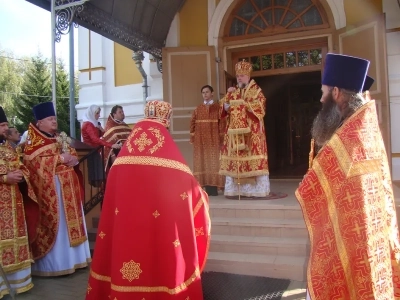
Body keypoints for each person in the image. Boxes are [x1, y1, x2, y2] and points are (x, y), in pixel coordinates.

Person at [297, 53, 400, 299]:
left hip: (351, 231)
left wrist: (308, 185)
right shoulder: (359, 125)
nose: (320, 99)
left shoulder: (351, 133)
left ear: (335, 92)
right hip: (355, 229)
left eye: (323, 92)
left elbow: (331, 178)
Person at [86, 100, 211, 300]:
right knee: (161, 262)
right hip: (160, 227)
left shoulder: (121, 161)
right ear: (166, 122)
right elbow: (188, 189)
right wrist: (200, 195)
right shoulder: (170, 159)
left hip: (126, 230)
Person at [23, 102, 91, 276]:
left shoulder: (57, 137)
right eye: (50, 119)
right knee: (60, 227)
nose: (54, 121)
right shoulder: (33, 142)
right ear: (40, 122)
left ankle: (76, 260)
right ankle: (58, 265)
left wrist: (73, 159)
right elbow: (33, 164)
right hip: (53, 192)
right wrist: (60, 158)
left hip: (68, 189)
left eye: (54, 118)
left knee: (73, 223)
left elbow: (72, 153)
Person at [0, 107, 38, 297]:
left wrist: (21, 175)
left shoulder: (9, 146)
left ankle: (17, 282)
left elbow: (23, 165)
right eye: (2, 125)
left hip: (14, 201)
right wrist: (5, 178)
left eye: (6, 124)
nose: (5, 128)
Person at [219, 60, 270, 198]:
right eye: (238, 76)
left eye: (242, 75)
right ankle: (236, 190)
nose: (239, 78)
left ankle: (257, 190)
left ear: (248, 76)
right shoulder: (233, 92)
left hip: (252, 133)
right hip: (234, 135)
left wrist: (244, 105)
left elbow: (261, 108)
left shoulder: (256, 90)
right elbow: (222, 107)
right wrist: (226, 106)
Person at [190, 85, 224, 196]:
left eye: (207, 92)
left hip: (214, 140)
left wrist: (221, 139)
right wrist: (193, 138)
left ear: (212, 93)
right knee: (202, 162)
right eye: (203, 92)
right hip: (200, 141)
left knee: (214, 163)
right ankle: (202, 189)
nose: (205, 94)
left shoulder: (218, 108)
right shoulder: (198, 109)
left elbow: (222, 124)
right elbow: (192, 123)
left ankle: (214, 188)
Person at [81, 105, 121, 186]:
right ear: (92, 113)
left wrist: (102, 130)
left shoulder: (94, 124)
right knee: (94, 174)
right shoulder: (88, 124)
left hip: (95, 151)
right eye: (97, 113)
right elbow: (95, 139)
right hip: (91, 153)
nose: (99, 115)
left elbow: (103, 135)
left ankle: (99, 192)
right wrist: (111, 145)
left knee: (99, 173)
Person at [102, 105, 131, 174]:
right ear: (114, 114)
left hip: (128, 156)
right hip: (117, 156)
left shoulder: (124, 125)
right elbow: (107, 143)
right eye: (120, 112)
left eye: (122, 111)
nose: (122, 113)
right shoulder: (111, 126)